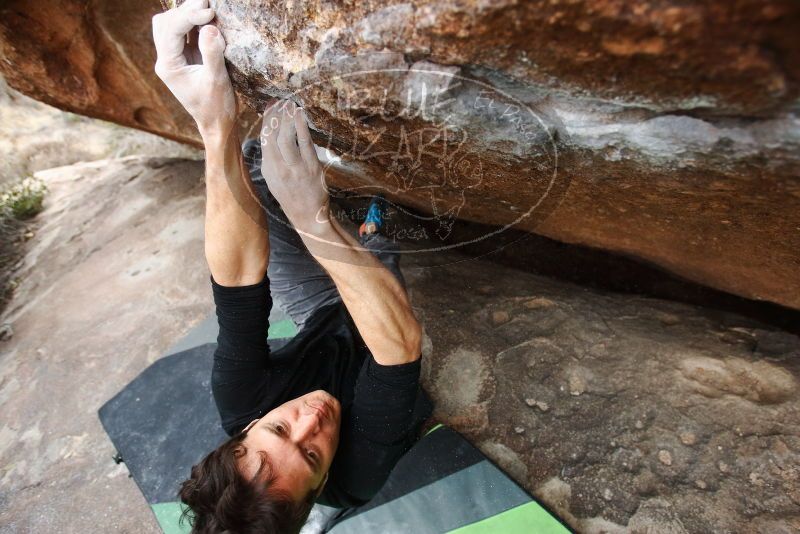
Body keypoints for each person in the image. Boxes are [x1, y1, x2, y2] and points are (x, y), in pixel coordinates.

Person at [152, 1, 432, 532]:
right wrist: (314, 218)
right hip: (380, 335)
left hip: (320, 313)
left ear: (249, 427)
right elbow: (398, 350)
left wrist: (215, 121)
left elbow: (236, 281)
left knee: (254, 167)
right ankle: (368, 215)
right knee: (380, 229)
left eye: (279, 430)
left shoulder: (239, 402)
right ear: (324, 484)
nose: (312, 420)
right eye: (311, 456)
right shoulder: (360, 472)